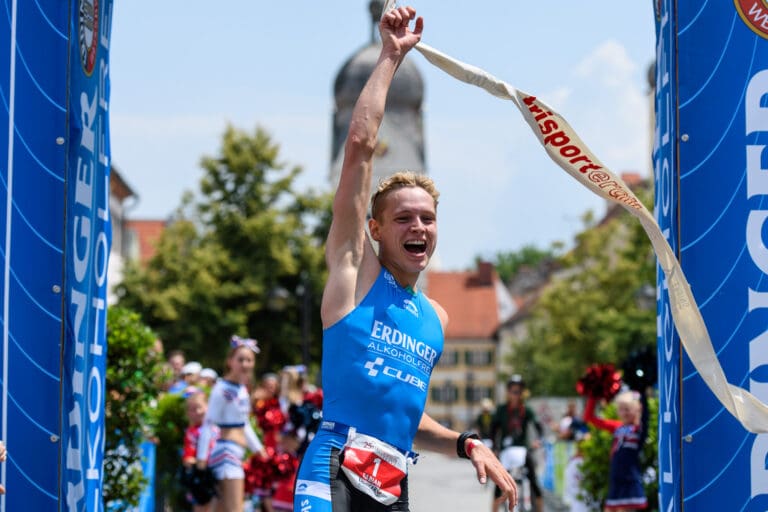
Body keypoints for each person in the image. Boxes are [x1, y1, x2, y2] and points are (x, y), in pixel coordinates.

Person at [292, 6, 517, 511]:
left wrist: (465, 442)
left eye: (427, 219)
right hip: (334, 472)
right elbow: (359, 148)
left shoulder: (434, 318)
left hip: (392, 482)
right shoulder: (355, 273)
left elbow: (404, 415)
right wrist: (390, 56)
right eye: (403, 218)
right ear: (374, 230)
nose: (418, 227)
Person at [197, 336, 268, 512]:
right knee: (236, 508)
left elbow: (244, 423)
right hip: (226, 455)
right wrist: (201, 459)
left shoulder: (242, 389)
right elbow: (208, 424)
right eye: (241, 359)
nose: (245, 364)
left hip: (236, 453)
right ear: (230, 361)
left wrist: (259, 449)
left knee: (221, 508)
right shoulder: (221, 389)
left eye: (249, 360)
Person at [583, 390, 649, 511]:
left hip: (630, 482)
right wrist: (593, 393)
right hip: (615, 481)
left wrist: (642, 393)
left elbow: (645, 418)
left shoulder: (638, 429)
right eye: (621, 409)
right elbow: (589, 418)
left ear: (637, 409)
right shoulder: (617, 427)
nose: (624, 413)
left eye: (628, 409)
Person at [491, 375, 544, 512]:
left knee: (533, 481)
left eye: (519, 391)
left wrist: (539, 440)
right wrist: (494, 447)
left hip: (523, 450)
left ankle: (540, 509)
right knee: (498, 483)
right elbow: (493, 429)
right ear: (508, 392)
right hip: (505, 451)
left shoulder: (526, 409)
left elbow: (538, 425)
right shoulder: (502, 409)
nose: (516, 395)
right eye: (514, 391)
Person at [181, 387, 218, 511]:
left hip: (219, 473)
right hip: (203, 479)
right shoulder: (191, 433)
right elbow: (188, 459)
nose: (197, 412)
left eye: (200, 407)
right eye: (192, 410)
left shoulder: (216, 428)